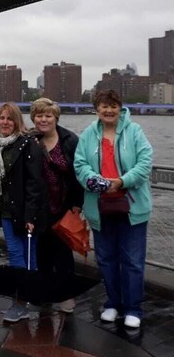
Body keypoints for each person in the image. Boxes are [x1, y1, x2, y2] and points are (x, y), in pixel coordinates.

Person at [74, 89, 153, 330]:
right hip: (100, 207)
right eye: (104, 106)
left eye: (114, 106)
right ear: (96, 109)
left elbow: (145, 161)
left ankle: (133, 308)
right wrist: (96, 181)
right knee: (106, 258)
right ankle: (113, 303)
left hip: (132, 208)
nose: (109, 110)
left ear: (120, 108)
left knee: (132, 260)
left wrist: (122, 181)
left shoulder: (135, 131)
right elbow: (79, 164)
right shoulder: (88, 134)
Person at [0, 102, 44, 323]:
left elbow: (35, 182)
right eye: (1, 118)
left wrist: (30, 216)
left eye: (9, 119)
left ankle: (21, 303)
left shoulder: (27, 144)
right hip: (6, 210)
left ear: (17, 122)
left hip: (24, 212)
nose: (4, 122)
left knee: (22, 255)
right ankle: (23, 300)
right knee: (18, 254)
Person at [30, 97, 83, 315]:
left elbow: (79, 173)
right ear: (33, 118)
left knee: (63, 254)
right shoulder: (30, 140)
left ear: (56, 118)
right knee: (41, 252)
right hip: (40, 206)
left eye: (48, 115)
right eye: (39, 115)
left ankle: (66, 295)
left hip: (63, 205)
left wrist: (77, 204)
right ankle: (45, 292)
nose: (44, 119)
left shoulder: (70, 140)